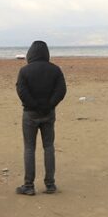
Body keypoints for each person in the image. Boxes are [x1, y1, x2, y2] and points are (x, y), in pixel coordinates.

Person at [14, 40, 67, 195]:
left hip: (30, 113)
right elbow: (61, 91)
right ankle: (50, 184)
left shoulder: (24, 71)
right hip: (48, 113)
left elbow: (22, 92)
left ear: (30, 53)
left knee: (29, 148)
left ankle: (29, 186)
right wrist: (49, 105)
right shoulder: (55, 70)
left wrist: (35, 105)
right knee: (48, 147)